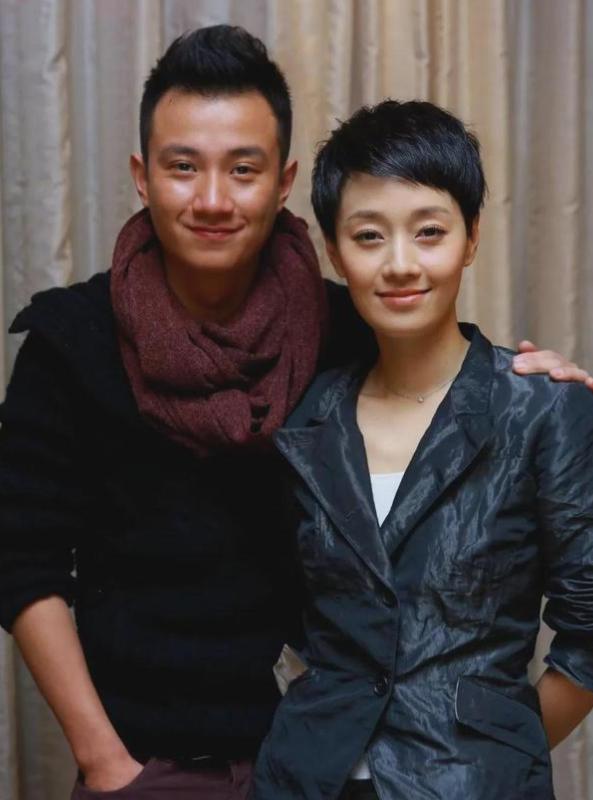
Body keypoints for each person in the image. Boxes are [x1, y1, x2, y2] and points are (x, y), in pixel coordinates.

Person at [0, 26, 587, 800]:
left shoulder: (338, 331)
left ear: (282, 182)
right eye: (184, 166)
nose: (213, 198)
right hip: (162, 757)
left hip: (310, 751)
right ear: (143, 176)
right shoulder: (71, 341)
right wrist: (109, 765)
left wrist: (550, 385)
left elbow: (445, 369)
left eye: (242, 169)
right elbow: (23, 560)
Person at [252, 100, 593, 800]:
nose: (401, 264)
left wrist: (498, 755)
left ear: (470, 238)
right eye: (369, 236)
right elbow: (292, 615)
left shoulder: (540, 408)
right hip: (307, 780)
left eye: (429, 231)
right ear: (334, 251)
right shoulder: (307, 419)